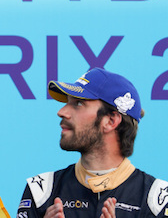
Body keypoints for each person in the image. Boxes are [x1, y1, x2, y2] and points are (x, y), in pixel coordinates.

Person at [17, 67, 168, 217]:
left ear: (111, 121)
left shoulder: (158, 200)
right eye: (68, 102)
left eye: (78, 104)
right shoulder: (41, 191)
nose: (61, 112)